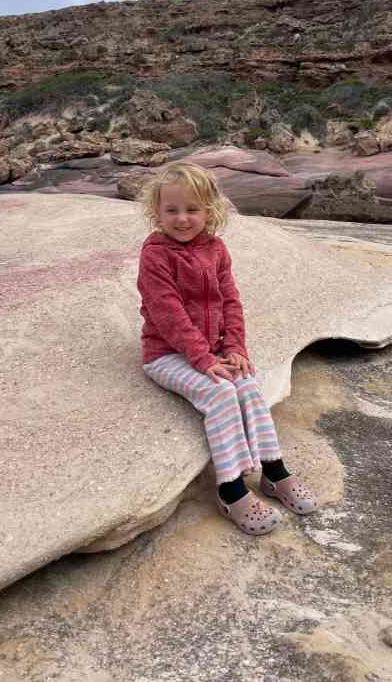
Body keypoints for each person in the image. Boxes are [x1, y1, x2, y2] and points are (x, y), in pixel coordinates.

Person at [137, 161, 318, 535]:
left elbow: (230, 301)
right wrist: (203, 359)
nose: (182, 219)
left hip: (215, 349)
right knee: (220, 393)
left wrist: (235, 347)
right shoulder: (155, 254)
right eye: (171, 210)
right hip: (167, 353)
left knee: (248, 386)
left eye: (192, 209)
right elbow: (167, 313)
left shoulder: (216, 250)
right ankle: (231, 489)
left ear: (209, 210)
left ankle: (274, 472)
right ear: (157, 211)